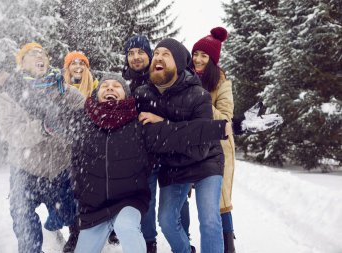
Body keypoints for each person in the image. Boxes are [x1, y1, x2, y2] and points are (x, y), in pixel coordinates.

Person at [41, 73, 231, 253]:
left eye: (116, 86)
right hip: (94, 209)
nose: (110, 88)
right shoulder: (81, 123)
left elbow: (183, 133)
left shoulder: (139, 126)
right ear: (96, 94)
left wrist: (227, 127)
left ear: (126, 94)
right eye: (105, 86)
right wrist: (32, 89)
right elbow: (49, 119)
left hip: (128, 202)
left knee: (126, 227)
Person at [135, 38, 225, 253]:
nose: (158, 57)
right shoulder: (143, 94)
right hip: (172, 164)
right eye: (156, 53)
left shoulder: (199, 95)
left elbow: (200, 143)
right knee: (166, 220)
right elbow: (145, 136)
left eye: (166, 54)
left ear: (178, 63)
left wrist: (163, 126)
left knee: (209, 220)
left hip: (206, 161)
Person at [0, 42, 85, 253]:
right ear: (22, 63)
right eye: (32, 54)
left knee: (69, 213)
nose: (40, 57)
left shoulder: (66, 91)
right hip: (25, 170)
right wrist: (43, 128)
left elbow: (86, 119)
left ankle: (57, 228)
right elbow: (11, 132)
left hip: (60, 169)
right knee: (23, 219)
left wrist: (70, 123)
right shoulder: (10, 95)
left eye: (43, 54)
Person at [123, 34, 191, 252]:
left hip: (172, 151)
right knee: (147, 200)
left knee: (178, 204)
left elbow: (184, 111)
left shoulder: (163, 77)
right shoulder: (123, 84)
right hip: (143, 154)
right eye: (131, 53)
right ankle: (149, 241)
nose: (135, 57)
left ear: (150, 55)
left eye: (140, 52)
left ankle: (183, 238)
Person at [191, 27, 235, 253]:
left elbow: (226, 117)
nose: (198, 59)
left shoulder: (221, 82)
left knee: (219, 202)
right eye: (196, 53)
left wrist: (200, 101)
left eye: (204, 55)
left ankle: (228, 245)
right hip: (191, 145)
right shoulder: (185, 77)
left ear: (213, 59)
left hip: (218, 146)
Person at [62, 50, 98, 252]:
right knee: (70, 193)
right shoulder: (59, 90)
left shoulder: (95, 88)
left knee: (92, 192)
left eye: (81, 63)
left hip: (91, 149)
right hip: (65, 150)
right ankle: (74, 232)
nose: (77, 67)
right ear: (67, 68)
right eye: (73, 64)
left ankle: (100, 228)